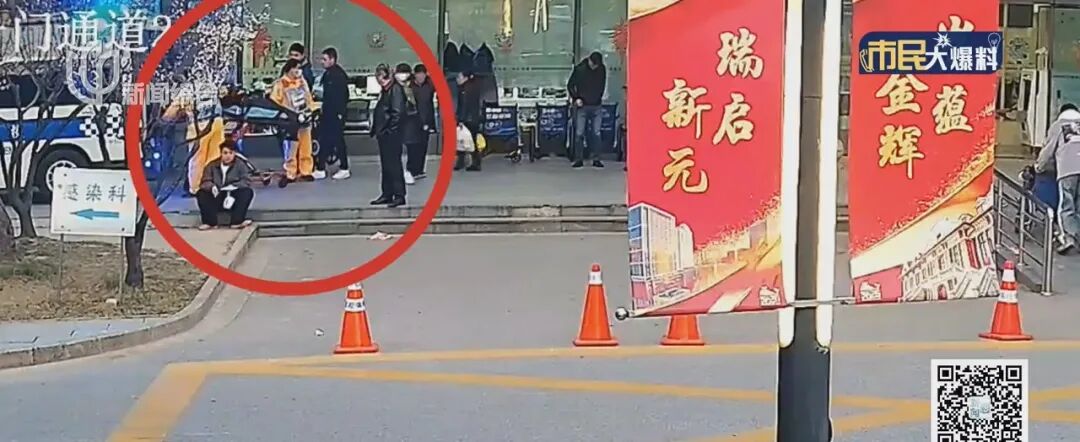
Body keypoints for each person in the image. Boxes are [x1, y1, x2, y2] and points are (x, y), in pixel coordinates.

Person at [1036, 103, 1080, 254]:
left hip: (1067, 169)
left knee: (1066, 205)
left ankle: (1068, 238)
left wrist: (1039, 166)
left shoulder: (1057, 126)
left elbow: (1048, 150)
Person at [270, 58, 317, 185]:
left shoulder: (302, 82)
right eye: (295, 68)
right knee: (291, 148)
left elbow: (308, 97)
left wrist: (311, 110)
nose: (298, 70)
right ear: (288, 69)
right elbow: (274, 101)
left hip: (304, 118)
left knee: (306, 146)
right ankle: (290, 172)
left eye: (299, 68)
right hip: (289, 121)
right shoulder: (281, 84)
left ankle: (306, 171)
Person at [371, 63, 408, 207]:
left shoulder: (395, 90)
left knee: (394, 165)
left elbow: (397, 113)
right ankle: (387, 193)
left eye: (380, 76)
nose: (378, 79)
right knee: (386, 165)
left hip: (391, 134)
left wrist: (389, 131)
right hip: (385, 133)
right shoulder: (386, 90)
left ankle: (398, 194)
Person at [196, 140, 254, 230]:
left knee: (247, 192)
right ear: (221, 153)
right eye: (225, 153)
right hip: (217, 195)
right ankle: (210, 222)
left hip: (233, 195)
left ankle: (236, 222)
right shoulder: (212, 165)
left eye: (231, 153)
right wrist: (212, 186)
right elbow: (205, 181)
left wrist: (234, 186)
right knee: (201, 193)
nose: (228, 156)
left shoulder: (240, 165)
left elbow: (246, 181)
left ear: (234, 154)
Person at [314, 47, 351, 180]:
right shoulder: (327, 74)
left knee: (337, 140)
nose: (322, 62)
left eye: (324, 59)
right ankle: (321, 168)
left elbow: (342, 96)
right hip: (328, 113)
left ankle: (344, 167)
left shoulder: (338, 76)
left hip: (335, 114)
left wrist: (339, 113)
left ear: (332, 60)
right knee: (325, 140)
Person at [566, 51, 607, 169]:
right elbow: (570, 85)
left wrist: (599, 96)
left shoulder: (601, 69)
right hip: (582, 105)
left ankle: (596, 159)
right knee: (579, 133)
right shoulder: (580, 70)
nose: (595, 68)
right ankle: (579, 158)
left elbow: (602, 84)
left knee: (596, 133)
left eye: (597, 66)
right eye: (593, 65)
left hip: (596, 105)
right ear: (589, 61)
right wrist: (576, 98)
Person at [406, 63, 436, 182]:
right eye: (419, 74)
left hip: (426, 120)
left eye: (423, 74)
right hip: (412, 120)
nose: (421, 77)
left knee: (423, 146)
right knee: (412, 146)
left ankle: (419, 170)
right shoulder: (410, 87)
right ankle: (411, 169)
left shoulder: (429, 85)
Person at [455, 69, 482, 172]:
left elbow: (464, 105)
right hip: (473, 118)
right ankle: (473, 162)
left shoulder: (465, 90)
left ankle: (468, 163)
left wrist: (460, 119)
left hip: (468, 119)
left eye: (459, 77)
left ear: (465, 78)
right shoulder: (473, 87)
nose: (457, 79)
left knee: (464, 140)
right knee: (470, 140)